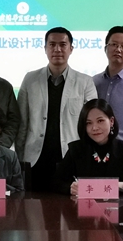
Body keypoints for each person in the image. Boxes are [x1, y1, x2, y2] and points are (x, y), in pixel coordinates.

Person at [16, 27, 97, 192]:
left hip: (70, 158)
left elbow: (91, 124)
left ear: (71, 49)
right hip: (35, 159)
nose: (57, 49)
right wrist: (19, 157)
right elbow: (22, 122)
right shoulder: (30, 79)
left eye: (63, 45)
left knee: (69, 206)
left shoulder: (85, 82)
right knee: (32, 206)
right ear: (45, 48)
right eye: (52, 44)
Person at [54, 99, 123, 195]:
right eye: (88, 123)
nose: (94, 128)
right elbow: (55, 182)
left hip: (122, 209)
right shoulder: (76, 149)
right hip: (85, 209)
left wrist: (122, 185)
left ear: (111, 121)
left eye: (100, 121)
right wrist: (70, 188)